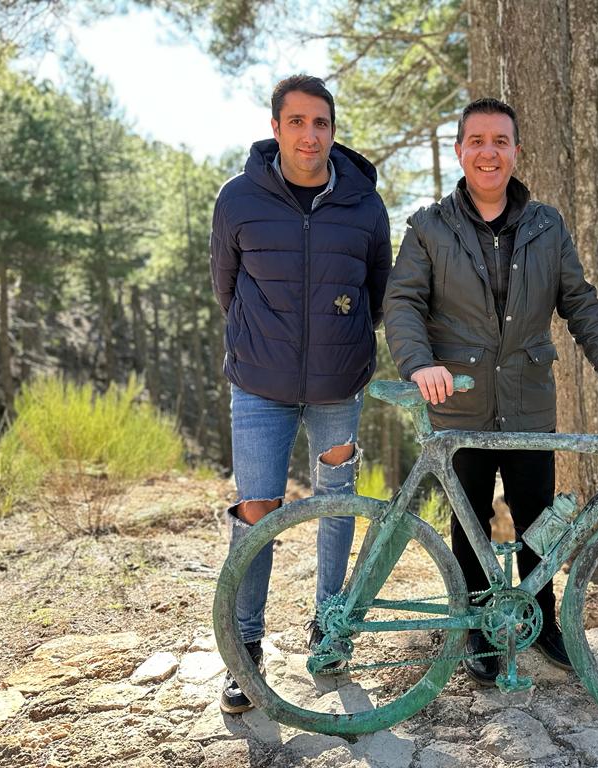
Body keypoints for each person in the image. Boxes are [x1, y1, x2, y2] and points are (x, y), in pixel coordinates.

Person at [383, 97, 598, 684]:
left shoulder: (546, 225)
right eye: (477, 140)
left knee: (536, 519)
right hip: (460, 403)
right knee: (469, 522)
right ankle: (476, 628)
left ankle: (542, 620)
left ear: (516, 151)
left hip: (528, 402)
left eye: (500, 140)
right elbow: (402, 302)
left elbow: (580, 305)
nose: (489, 151)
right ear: (459, 151)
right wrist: (419, 364)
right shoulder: (428, 225)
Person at [210, 74, 391, 713]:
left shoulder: (365, 203)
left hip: (339, 385)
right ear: (276, 127)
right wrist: (269, 343)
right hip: (259, 387)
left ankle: (331, 630)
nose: (309, 135)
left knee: (336, 504)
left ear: (333, 130)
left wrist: (333, 344)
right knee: (257, 512)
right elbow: (227, 288)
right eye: (297, 122)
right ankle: (246, 652)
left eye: (321, 123)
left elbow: (375, 291)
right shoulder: (238, 198)